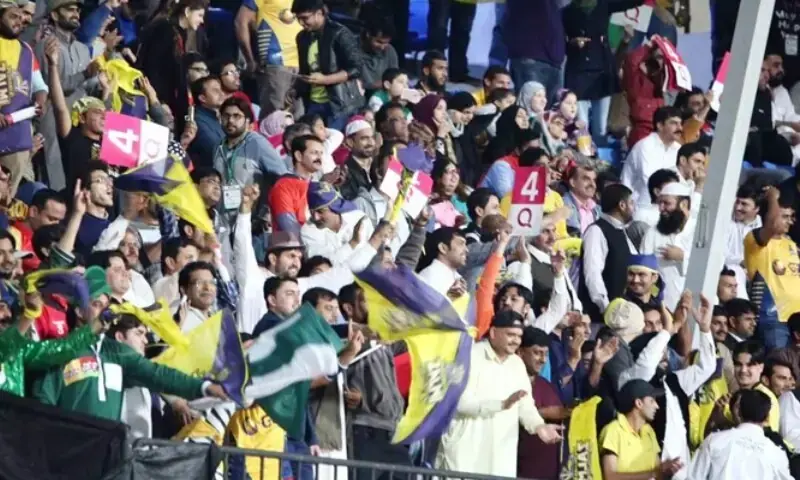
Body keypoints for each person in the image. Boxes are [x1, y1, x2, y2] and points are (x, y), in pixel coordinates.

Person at [436, 311, 562, 476]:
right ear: (494, 333)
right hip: (466, 452)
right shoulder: (469, 356)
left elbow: (526, 405)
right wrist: (501, 405)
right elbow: (459, 402)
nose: (516, 340)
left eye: (519, 336)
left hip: (501, 455)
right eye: (510, 334)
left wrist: (538, 426)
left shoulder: (517, 364)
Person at [292, 0, 364, 131]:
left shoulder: (339, 33)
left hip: (339, 103)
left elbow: (356, 68)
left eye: (305, 18)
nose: (301, 23)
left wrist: (326, 79)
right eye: (298, 18)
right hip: (313, 102)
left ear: (319, 13)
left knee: (335, 140)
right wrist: (295, 89)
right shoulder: (302, 37)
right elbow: (305, 70)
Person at [691, 389, 792, 479]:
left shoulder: (714, 441)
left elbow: (693, 476)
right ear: (767, 418)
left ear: (737, 412)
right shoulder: (776, 454)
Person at [744, 187, 800, 350]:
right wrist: (773, 197)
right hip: (774, 319)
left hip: (796, 319)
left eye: (791, 216)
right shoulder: (755, 240)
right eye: (784, 216)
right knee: (779, 361)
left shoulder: (791, 244)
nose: (790, 221)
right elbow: (772, 225)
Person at [600, 379, 683, 479]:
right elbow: (610, 476)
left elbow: (657, 473)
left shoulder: (649, 432)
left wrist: (668, 470)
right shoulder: (613, 431)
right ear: (639, 403)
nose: (657, 406)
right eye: (652, 401)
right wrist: (653, 474)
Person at [579, 183, 637, 322]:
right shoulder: (596, 231)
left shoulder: (621, 231)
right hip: (601, 317)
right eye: (631, 203)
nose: (634, 208)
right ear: (622, 205)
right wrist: (606, 307)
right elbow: (592, 273)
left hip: (621, 314)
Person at [234, 0, 302, 115]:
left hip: (301, 63)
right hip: (275, 62)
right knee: (273, 116)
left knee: (299, 116)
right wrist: (249, 59)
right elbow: (241, 21)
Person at [640, 182, 696, 311]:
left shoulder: (698, 230)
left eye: (666, 203)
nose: (661, 208)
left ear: (684, 204)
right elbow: (644, 270)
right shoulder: (652, 233)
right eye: (660, 203)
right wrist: (655, 297)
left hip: (694, 304)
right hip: (663, 305)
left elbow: (715, 264)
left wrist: (683, 256)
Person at [621, 106, 683, 208]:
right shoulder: (645, 146)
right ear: (660, 125)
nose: (679, 128)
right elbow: (650, 180)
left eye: (680, 124)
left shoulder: (678, 149)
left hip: (665, 205)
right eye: (673, 123)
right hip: (637, 206)